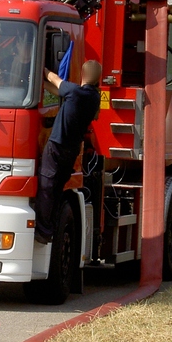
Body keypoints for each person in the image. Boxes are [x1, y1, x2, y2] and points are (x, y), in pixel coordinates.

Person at [35, 60, 102, 244]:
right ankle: (51, 228)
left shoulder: (76, 92)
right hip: (71, 150)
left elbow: (56, 81)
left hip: (57, 145)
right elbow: (58, 91)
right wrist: (38, 82)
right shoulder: (92, 97)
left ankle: (42, 231)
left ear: (83, 75)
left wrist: (40, 68)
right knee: (56, 189)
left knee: (46, 185)